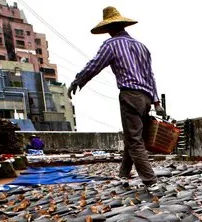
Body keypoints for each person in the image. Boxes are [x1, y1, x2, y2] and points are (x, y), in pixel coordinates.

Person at [67, 6, 164, 191]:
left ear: (109, 28)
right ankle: (123, 175)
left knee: (135, 140)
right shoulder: (142, 46)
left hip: (130, 95)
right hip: (146, 98)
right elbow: (151, 76)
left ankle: (151, 181)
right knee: (132, 135)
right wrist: (156, 102)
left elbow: (94, 65)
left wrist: (78, 80)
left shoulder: (111, 45)